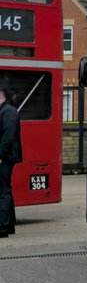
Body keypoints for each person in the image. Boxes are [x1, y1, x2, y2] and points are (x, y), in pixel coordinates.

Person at [0, 79, 22, 237]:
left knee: (3, 192)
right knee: (5, 189)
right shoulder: (5, 111)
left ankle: (3, 228)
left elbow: (7, 137)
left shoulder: (8, 112)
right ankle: (9, 225)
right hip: (5, 156)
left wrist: (0, 155)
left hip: (4, 157)